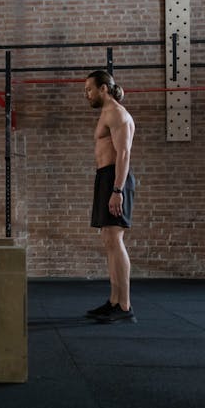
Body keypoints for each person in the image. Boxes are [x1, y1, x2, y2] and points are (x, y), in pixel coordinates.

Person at [83, 70, 137, 323]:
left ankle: (125, 306)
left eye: (89, 89)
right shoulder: (107, 113)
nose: (87, 94)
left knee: (115, 239)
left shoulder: (116, 113)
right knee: (108, 240)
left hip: (116, 180)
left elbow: (123, 154)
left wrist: (117, 190)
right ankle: (114, 301)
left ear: (104, 88)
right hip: (106, 177)